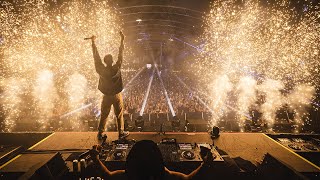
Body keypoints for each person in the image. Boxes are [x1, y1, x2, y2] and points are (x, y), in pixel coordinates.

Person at [89, 140, 213, 180]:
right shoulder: (163, 174)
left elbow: (107, 175)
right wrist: (205, 164)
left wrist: (95, 158)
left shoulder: (128, 176)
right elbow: (187, 178)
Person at [90, 31, 129, 140]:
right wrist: (122, 40)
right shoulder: (117, 67)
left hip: (106, 95)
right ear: (112, 61)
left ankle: (100, 133)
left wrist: (93, 43)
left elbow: (96, 57)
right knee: (119, 114)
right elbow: (120, 54)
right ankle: (121, 132)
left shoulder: (101, 69)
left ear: (104, 61)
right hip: (116, 95)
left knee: (104, 115)